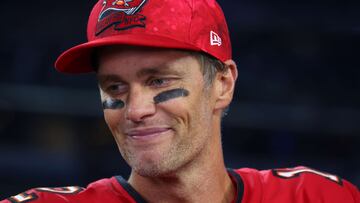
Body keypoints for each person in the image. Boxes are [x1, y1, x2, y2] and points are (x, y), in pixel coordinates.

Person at [2, 0, 359, 202]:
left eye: (158, 80)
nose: (136, 110)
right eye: (115, 88)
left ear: (222, 84)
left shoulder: (315, 197)